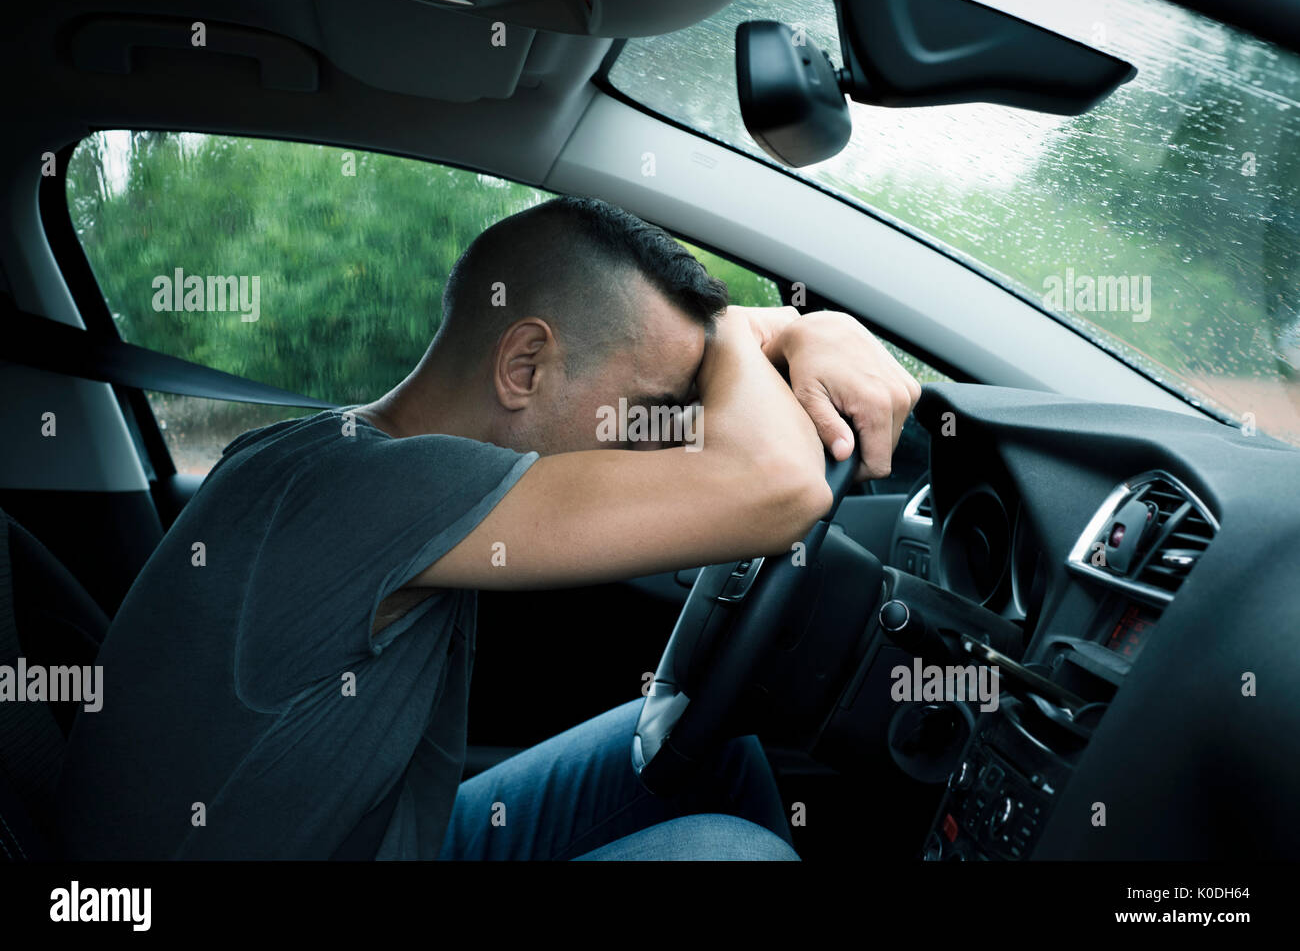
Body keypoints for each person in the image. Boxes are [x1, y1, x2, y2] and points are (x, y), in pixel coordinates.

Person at [54, 196, 921, 860]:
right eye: (654, 411)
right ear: (523, 365)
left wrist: (785, 334)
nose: (671, 440)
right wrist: (746, 324)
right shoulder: (381, 487)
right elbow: (775, 485)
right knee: (734, 856)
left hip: (386, 835)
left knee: (708, 752)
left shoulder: (340, 457)